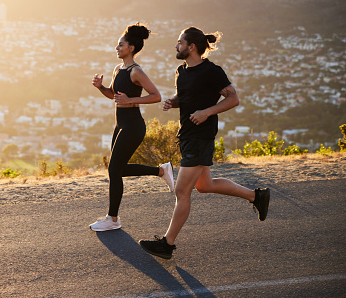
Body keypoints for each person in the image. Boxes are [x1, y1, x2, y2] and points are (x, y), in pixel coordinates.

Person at [139, 27, 270, 259]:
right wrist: (174, 102)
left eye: (180, 42)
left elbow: (233, 98)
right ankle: (256, 196)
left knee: (182, 190)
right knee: (204, 185)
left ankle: (167, 244)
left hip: (201, 135)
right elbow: (188, 98)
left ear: (191, 47)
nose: (176, 46)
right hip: (187, 134)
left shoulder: (212, 71)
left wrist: (207, 112)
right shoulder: (181, 72)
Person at [89, 23, 174, 232]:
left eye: (121, 45)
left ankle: (113, 219)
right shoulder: (118, 69)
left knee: (114, 170)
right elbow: (114, 95)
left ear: (131, 48)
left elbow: (156, 96)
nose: (117, 48)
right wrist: (101, 87)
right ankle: (161, 171)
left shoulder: (136, 71)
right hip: (120, 125)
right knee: (116, 169)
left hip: (134, 126)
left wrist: (131, 101)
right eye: (117, 45)